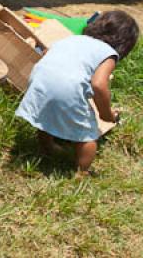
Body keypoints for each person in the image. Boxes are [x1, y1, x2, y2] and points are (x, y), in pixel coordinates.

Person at [15, 11, 139, 174]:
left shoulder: (72, 38)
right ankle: (82, 173)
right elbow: (99, 85)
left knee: (47, 113)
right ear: (125, 44)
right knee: (88, 134)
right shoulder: (108, 54)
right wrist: (106, 114)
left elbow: (47, 53)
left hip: (39, 80)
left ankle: (47, 147)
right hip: (66, 88)